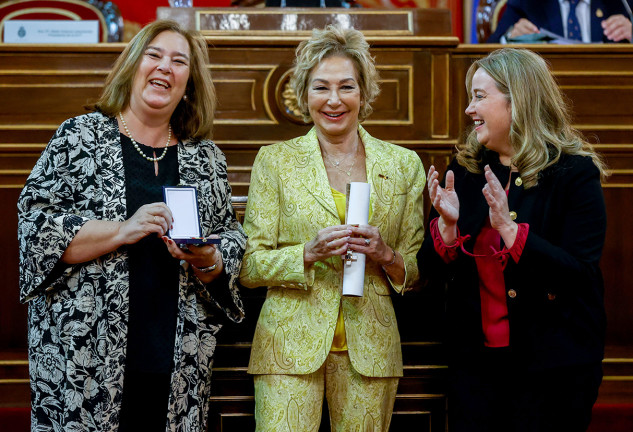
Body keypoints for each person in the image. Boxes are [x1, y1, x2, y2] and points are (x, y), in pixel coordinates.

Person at [17, 19, 246, 432]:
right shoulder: (79, 137)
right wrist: (124, 229)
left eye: (179, 61)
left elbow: (231, 238)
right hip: (84, 361)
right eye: (154, 55)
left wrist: (209, 258)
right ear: (133, 65)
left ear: (189, 83)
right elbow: (36, 229)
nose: (165, 67)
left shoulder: (206, 158)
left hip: (178, 361)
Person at [239, 25, 425, 431]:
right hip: (286, 347)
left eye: (347, 87)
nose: (334, 100)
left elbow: (413, 273)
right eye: (322, 87)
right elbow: (250, 266)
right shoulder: (275, 161)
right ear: (305, 94)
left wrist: (386, 255)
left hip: (371, 351)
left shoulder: (403, 165)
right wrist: (307, 252)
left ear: (364, 93)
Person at [417, 47, 607, 432]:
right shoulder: (466, 169)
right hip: (475, 365)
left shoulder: (574, 173)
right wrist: (448, 228)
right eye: (471, 97)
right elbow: (428, 272)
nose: (470, 109)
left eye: (480, 96)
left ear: (518, 99)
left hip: (554, 367)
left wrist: (509, 230)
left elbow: (578, 274)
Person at [488, 0, 632, 43]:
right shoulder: (527, 3)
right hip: (542, 95)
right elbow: (488, 51)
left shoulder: (620, 3)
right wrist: (509, 39)